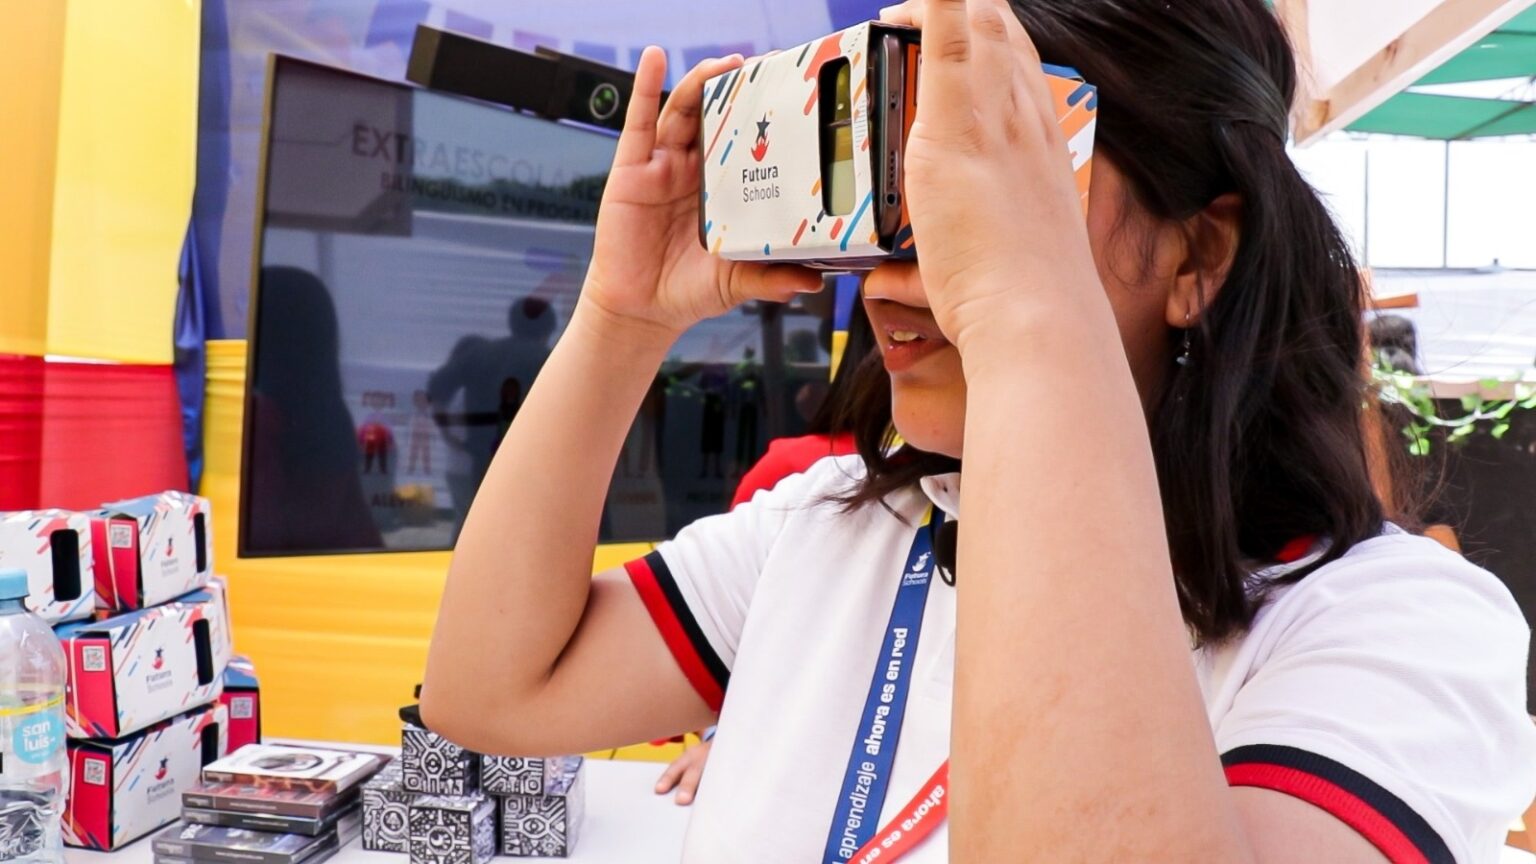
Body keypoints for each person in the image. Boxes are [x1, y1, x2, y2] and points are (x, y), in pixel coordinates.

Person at [423, 1, 1536, 860]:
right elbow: (495, 693)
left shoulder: (1398, 631)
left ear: (1198, 255)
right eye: (887, 175)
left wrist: (1020, 309)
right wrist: (622, 319)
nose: (897, 267)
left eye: (982, 173)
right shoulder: (835, 532)